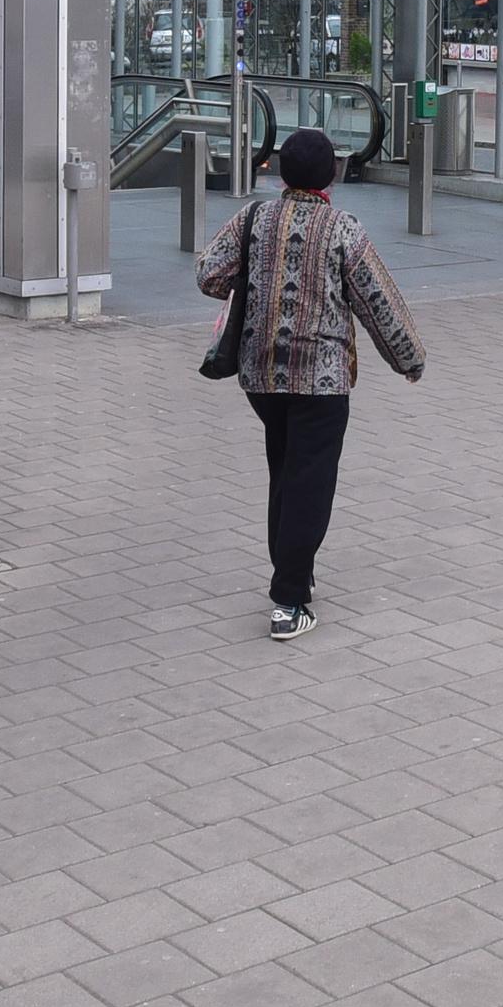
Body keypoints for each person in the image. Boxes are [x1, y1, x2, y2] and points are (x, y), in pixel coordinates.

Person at [199, 126, 424, 640]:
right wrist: (409, 359)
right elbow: (378, 303)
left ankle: (292, 571)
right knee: (309, 481)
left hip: (261, 374)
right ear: (330, 175)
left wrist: (254, 279)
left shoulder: (252, 218)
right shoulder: (343, 229)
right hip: (320, 379)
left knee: (284, 469)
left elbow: (208, 274)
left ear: (280, 171)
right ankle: (290, 600)